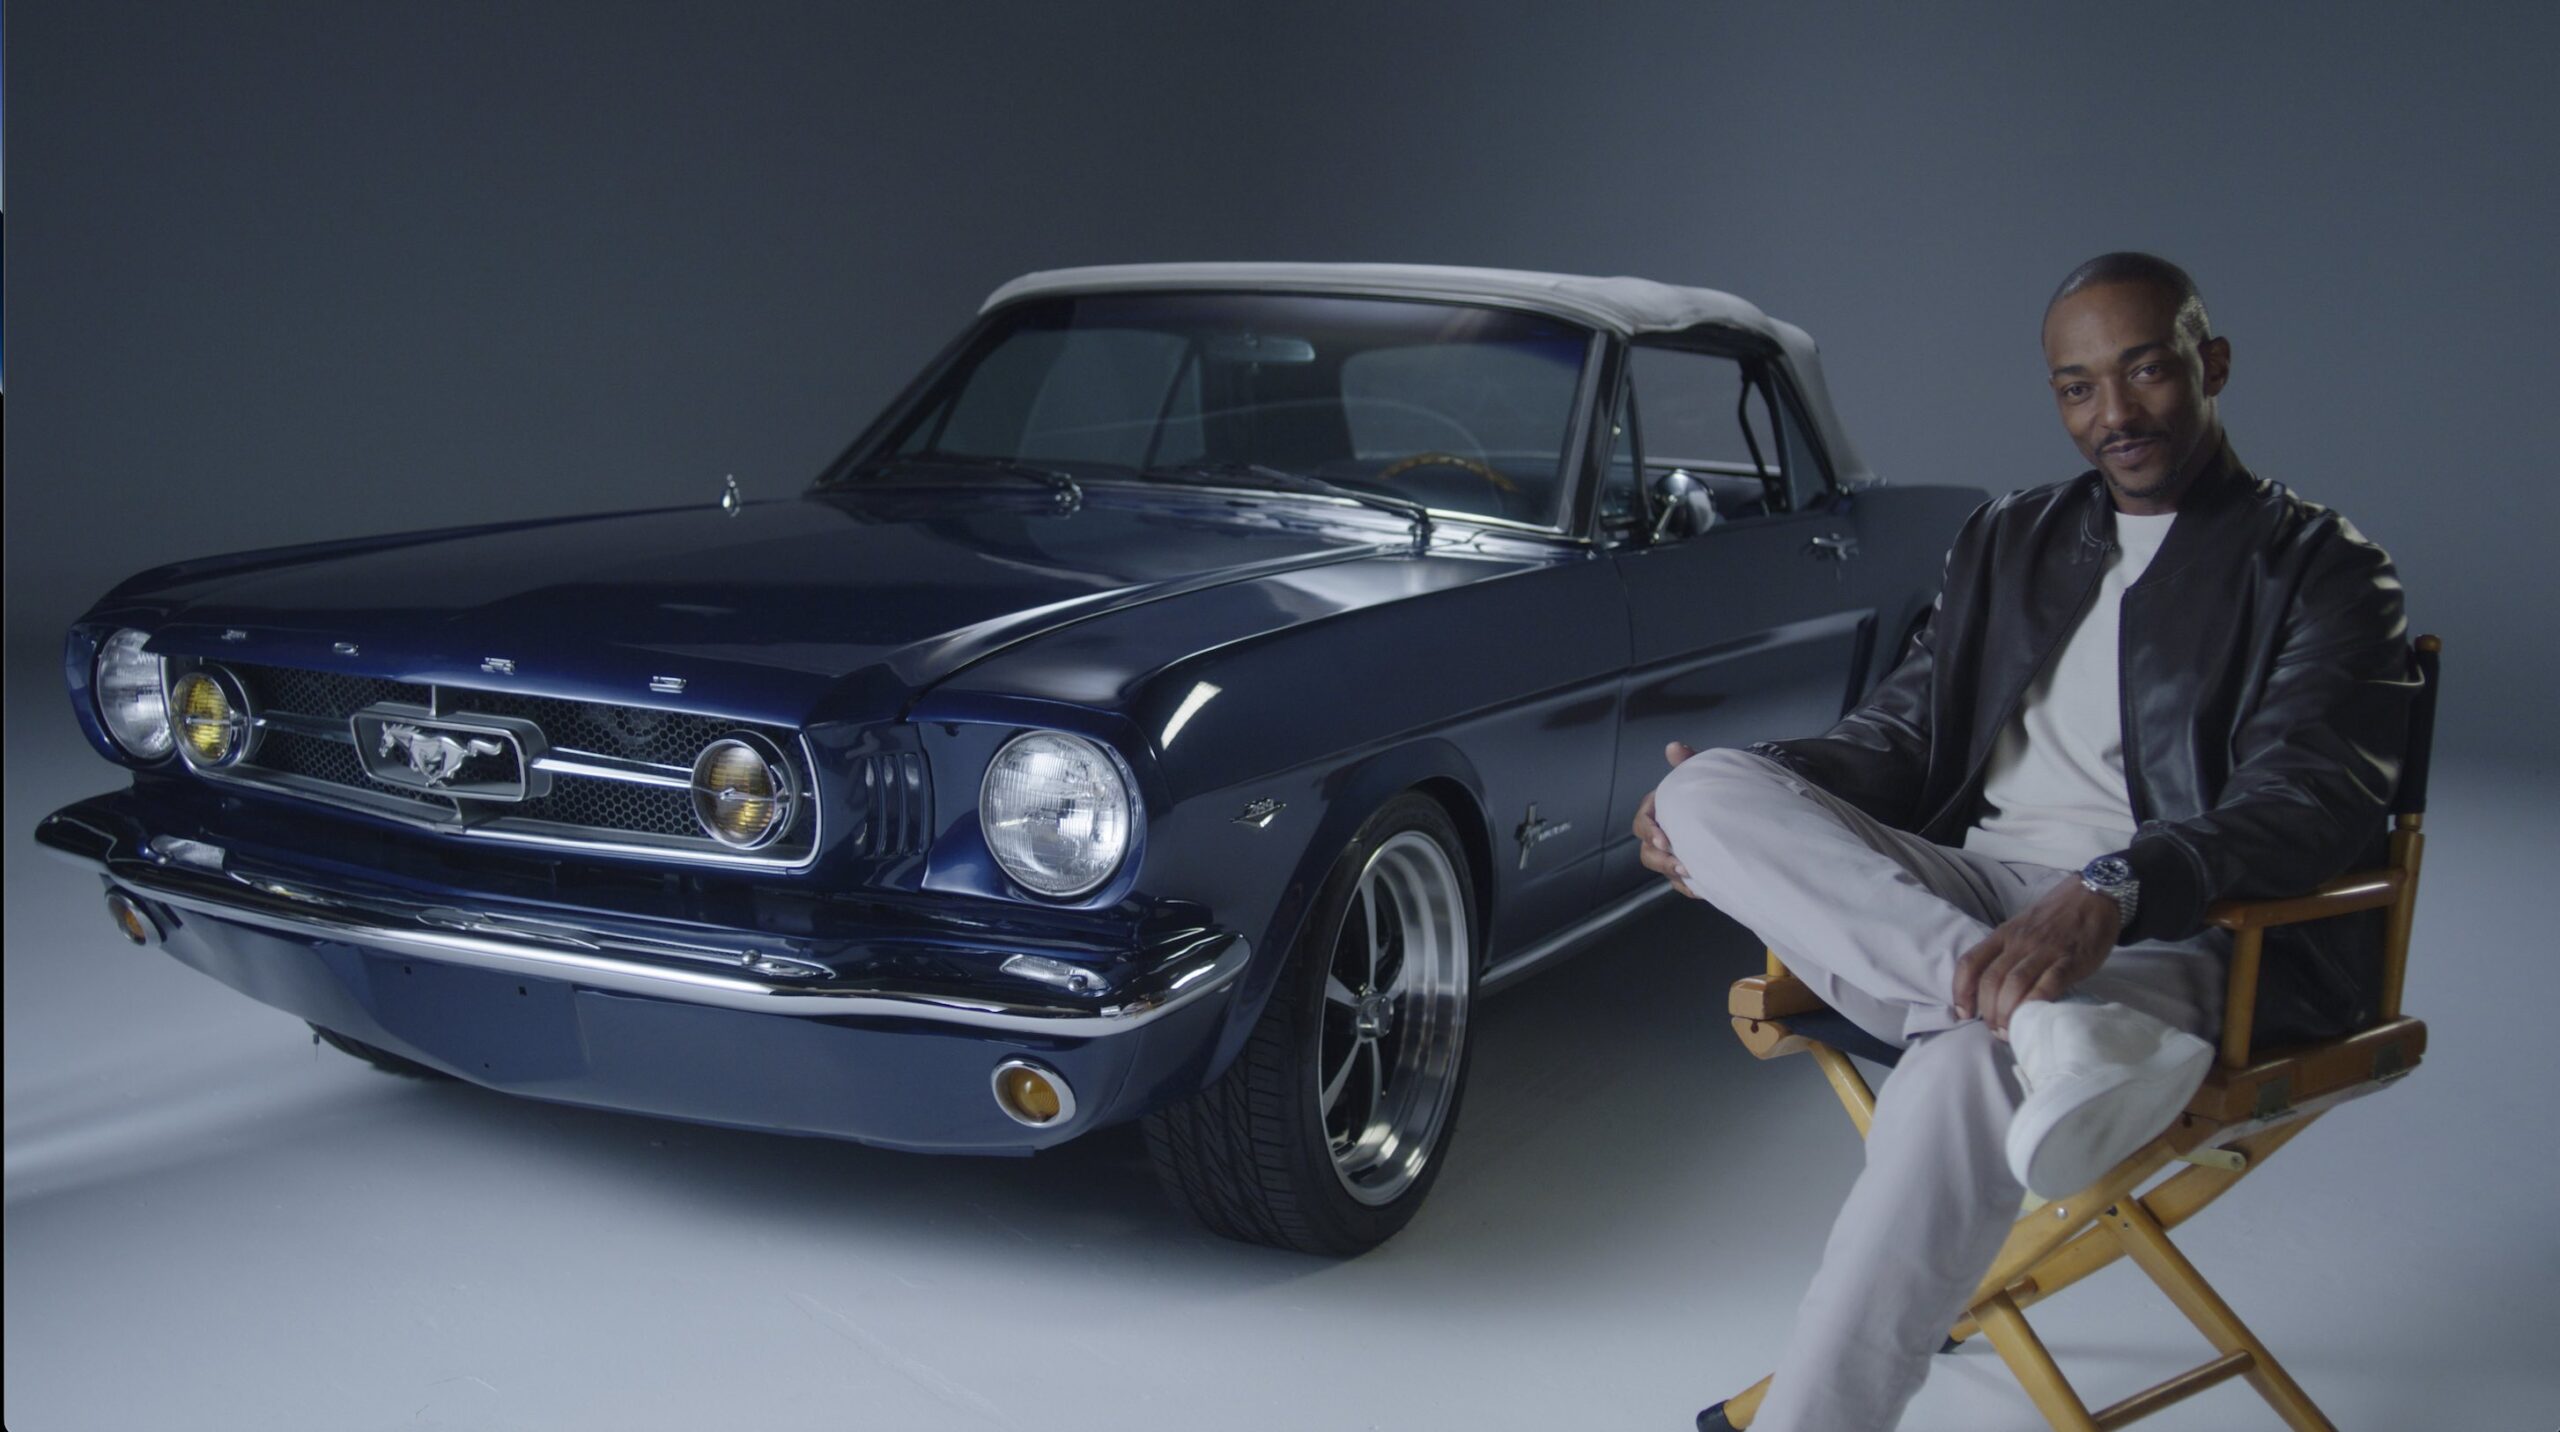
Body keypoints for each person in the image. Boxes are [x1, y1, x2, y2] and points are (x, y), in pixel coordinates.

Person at [1635, 252, 2416, 1432]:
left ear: (2208, 365)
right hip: (1972, 900)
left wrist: (2115, 882)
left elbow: (2308, 800)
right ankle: (2047, 1027)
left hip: (2178, 924)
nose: (2113, 414)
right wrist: (1758, 794)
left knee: (1958, 1067)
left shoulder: (2319, 568)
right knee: (1708, 795)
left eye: (2144, 371)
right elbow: (1895, 738)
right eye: (2076, 387)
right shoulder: (2006, 540)